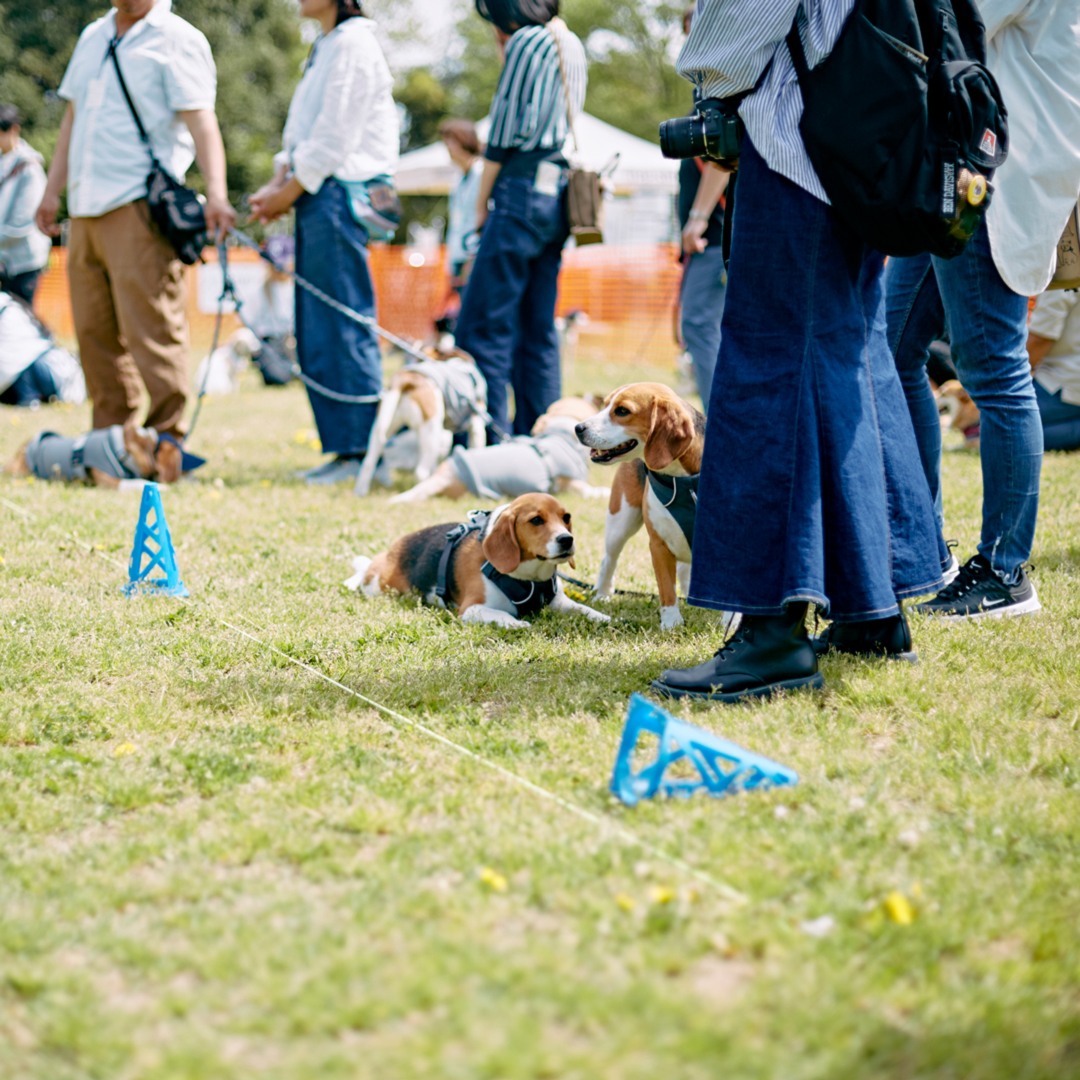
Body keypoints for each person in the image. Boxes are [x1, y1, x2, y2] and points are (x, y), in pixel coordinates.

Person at [650, 0, 943, 703]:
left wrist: (711, 82)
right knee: (854, 358)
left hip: (797, 145)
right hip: (864, 138)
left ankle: (772, 630)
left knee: (768, 367)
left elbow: (741, 23)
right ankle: (873, 609)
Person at [884, 1, 1080, 619]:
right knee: (892, 353)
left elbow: (939, 23)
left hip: (991, 173)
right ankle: (922, 547)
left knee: (992, 368)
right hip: (955, 163)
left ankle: (1004, 572)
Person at [34, 0, 234, 440]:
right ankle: (110, 440)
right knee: (93, 333)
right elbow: (72, 119)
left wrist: (216, 194)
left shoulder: (177, 38)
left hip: (138, 202)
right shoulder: (92, 35)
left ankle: (167, 442)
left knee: (153, 330)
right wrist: (52, 191)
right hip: (85, 206)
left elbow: (202, 121)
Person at [250, 0, 399, 485]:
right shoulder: (325, 44)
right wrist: (277, 187)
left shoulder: (354, 43)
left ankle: (361, 452)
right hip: (314, 195)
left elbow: (334, 138)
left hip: (337, 194)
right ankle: (342, 449)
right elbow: (300, 136)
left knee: (342, 322)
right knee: (316, 327)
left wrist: (284, 192)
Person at [454, 0, 587, 439]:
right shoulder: (571, 44)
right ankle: (546, 438)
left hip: (519, 189)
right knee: (538, 328)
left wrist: (481, 201)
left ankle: (490, 438)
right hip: (557, 195)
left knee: (482, 323)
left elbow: (505, 129)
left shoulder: (527, 42)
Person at [675, 5, 729, 409]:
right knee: (703, 325)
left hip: (715, 231)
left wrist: (697, 219)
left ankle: (716, 418)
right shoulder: (704, 87)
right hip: (711, 231)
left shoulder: (719, 86)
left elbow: (720, 158)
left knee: (698, 324)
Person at [0, 105, 52, 306]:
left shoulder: (30, 168)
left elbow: (21, 223)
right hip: (5, 260)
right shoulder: (3, 161)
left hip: (25, 263)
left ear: (14, 130)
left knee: (20, 325)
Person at [1028, 291, 1080, 452]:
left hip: (1062, 384)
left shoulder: (1064, 271)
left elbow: (1040, 339)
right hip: (1069, 382)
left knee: (1001, 424)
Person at [440, 118, 484, 290]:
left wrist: (472, 258)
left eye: (450, 142)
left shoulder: (482, 173)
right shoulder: (458, 178)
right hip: (458, 256)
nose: (448, 148)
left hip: (475, 257)